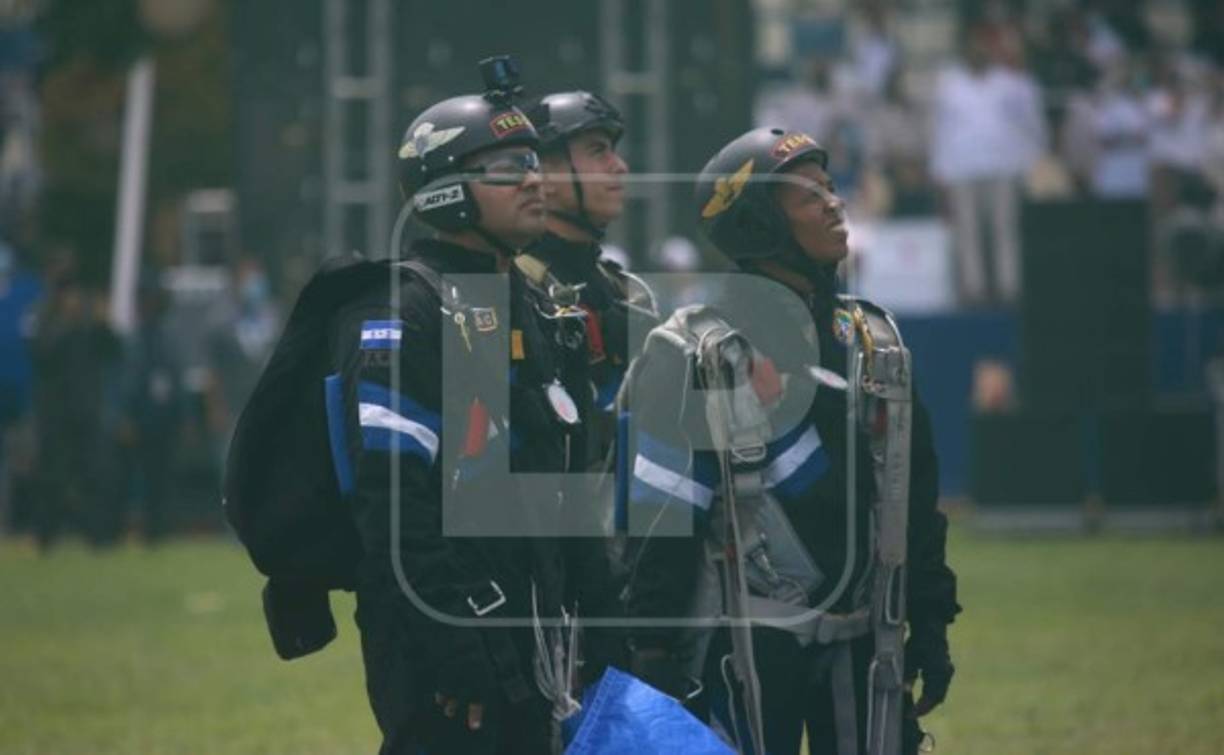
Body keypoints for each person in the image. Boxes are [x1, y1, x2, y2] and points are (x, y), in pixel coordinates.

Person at [622, 128, 960, 755]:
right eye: (808, 196)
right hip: (746, 648)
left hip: (867, 642)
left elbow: (913, 494)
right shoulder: (694, 352)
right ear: (757, 224)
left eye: (831, 189)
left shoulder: (872, 340)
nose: (834, 204)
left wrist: (931, 617)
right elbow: (661, 517)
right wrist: (654, 650)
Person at [341, 61, 609, 755]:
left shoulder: (534, 306)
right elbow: (397, 512)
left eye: (534, 161)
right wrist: (457, 655)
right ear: (447, 193)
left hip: (540, 649)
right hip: (446, 670)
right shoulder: (405, 313)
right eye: (506, 167)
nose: (534, 179)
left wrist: (604, 634)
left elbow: (565, 492)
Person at [524, 90, 657, 466]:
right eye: (598, 151)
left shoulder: (625, 290)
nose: (620, 167)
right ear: (542, 173)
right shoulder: (513, 290)